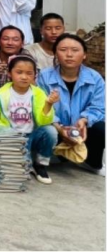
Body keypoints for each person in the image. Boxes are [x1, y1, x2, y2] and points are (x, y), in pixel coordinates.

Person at [38, 34, 105, 175]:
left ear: (84, 55)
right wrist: (59, 128)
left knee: (101, 127)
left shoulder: (95, 78)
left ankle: (92, 162)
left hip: (82, 129)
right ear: (55, 53)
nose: (69, 54)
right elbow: (40, 107)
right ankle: (55, 155)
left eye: (75, 50)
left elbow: (99, 107)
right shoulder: (44, 76)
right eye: (63, 50)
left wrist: (84, 120)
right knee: (46, 130)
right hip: (55, 126)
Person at [0, 55, 58, 184]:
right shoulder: (1, 94)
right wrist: (5, 132)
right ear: (10, 73)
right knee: (21, 170)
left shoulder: (39, 93)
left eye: (29, 73)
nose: (24, 77)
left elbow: (44, 121)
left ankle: (40, 164)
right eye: (19, 72)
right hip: (12, 137)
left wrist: (48, 104)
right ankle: (26, 162)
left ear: (35, 75)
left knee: (50, 131)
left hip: (32, 133)